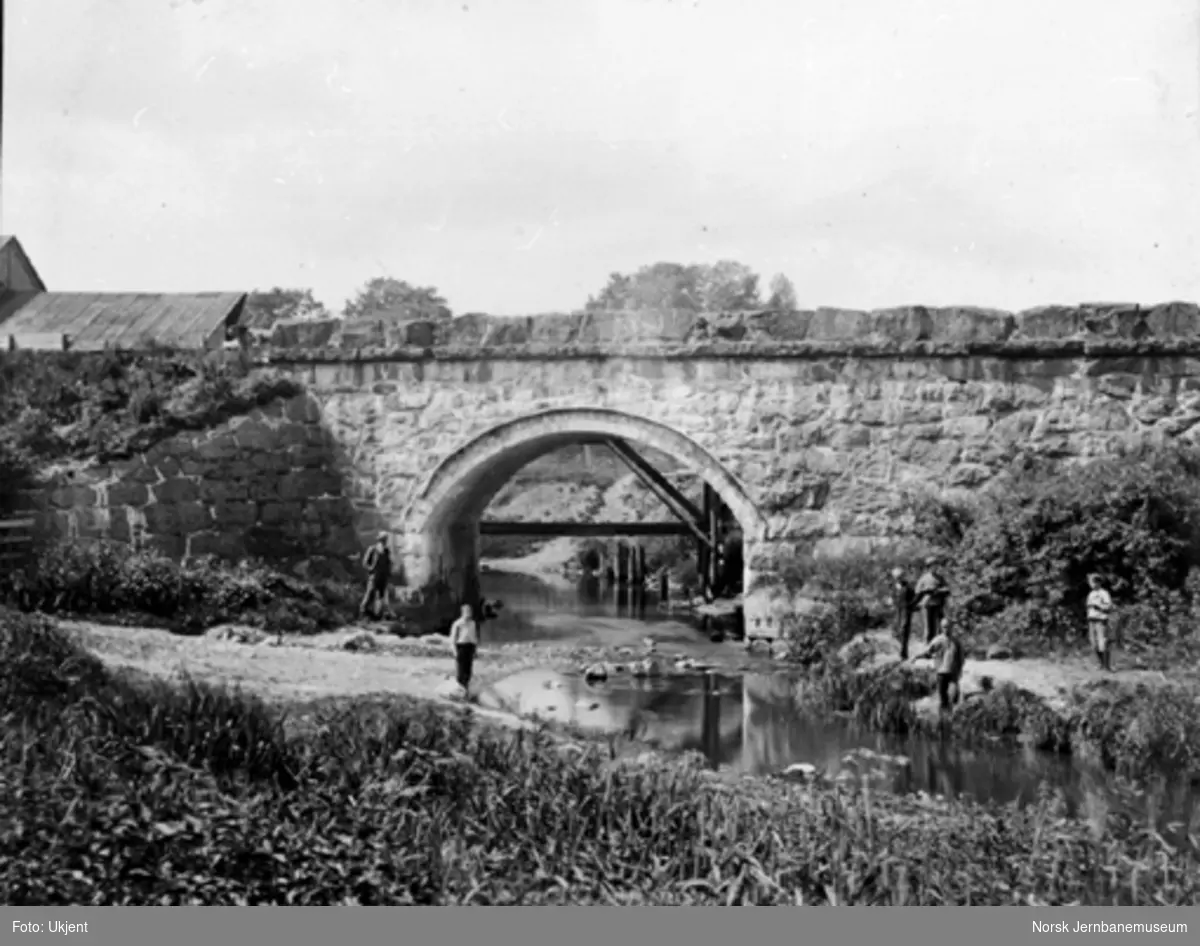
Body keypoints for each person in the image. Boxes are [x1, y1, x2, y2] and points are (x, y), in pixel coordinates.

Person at [909, 623, 965, 715]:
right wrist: (917, 657)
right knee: (943, 697)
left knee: (955, 696)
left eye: (949, 627)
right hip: (941, 672)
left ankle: (954, 715)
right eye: (945, 627)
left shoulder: (957, 642)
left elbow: (961, 658)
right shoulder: (937, 641)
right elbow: (928, 653)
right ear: (942, 628)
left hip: (953, 672)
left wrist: (959, 670)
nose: (947, 629)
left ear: (952, 628)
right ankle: (943, 717)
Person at [914, 557, 950, 644]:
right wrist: (927, 591)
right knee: (929, 628)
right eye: (933, 565)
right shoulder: (924, 578)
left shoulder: (940, 578)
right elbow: (917, 591)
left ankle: (940, 645)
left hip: (938, 604)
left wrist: (938, 591)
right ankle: (927, 646)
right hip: (927, 605)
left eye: (936, 565)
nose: (935, 567)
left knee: (940, 626)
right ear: (928, 566)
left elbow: (947, 589)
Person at [359, 533, 392, 621]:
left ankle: (380, 615)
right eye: (383, 539)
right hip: (374, 577)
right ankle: (363, 612)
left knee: (382, 596)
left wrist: (388, 573)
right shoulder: (372, 549)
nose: (384, 541)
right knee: (370, 594)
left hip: (383, 577)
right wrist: (371, 569)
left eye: (385, 540)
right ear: (379, 540)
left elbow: (388, 564)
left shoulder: (386, 551)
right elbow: (365, 563)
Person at [1086, 573, 1114, 671]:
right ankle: (1100, 663)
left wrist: (1099, 606)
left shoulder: (1104, 593)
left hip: (1100, 620)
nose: (1090, 584)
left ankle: (1106, 666)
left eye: (1092, 582)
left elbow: (1109, 606)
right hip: (1092, 620)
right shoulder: (1091, 594)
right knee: (1094, 643)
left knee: (1102, 642)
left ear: (1097, 582)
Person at [449, 603, 479, 692]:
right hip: (461, 646)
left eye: (470, 611)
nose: (469, 613)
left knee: (468, 670)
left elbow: (474, 636)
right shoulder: (458, 624)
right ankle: (459, 688)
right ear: (463, 612)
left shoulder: (473, 623)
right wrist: (454, 651)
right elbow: (453, 638)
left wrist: (475, 649)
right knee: (461, 670)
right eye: (467, 611)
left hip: (470, 647)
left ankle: (466, 689)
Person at [891, 566, 916, 659]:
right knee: (897, 631)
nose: (898, 578)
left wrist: (911, 606)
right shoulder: (894, 587)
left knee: (904, 629)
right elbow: (893, 597)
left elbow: (914, 598)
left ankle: (904, 653)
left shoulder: (908, 586)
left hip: (906, 610)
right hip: (897, 610)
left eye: (900, 576)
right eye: (897, 577)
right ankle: (900, 650)